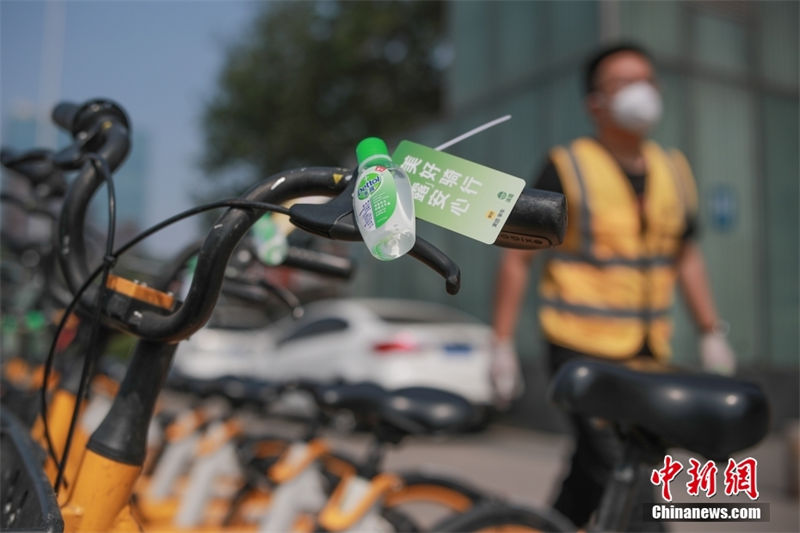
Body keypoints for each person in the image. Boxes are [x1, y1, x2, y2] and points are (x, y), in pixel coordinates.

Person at [489, 43, 736, 530]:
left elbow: (685, 254)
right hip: (579, 347)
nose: (642, 91)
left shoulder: (673, 169)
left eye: (647, 79)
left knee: (590, 471)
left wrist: (711, 331)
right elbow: (517, 257)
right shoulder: (567, 165)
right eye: (624, 83)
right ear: (594, 103)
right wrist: (499, 343)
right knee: (629, 478)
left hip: (646, 350)